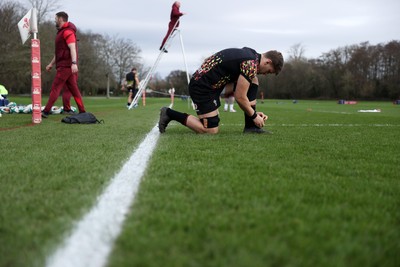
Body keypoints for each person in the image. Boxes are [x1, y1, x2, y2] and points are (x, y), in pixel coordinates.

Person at [158, 47, 284, 134]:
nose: (266, 74)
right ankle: (169, 113)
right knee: (210, 131)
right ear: (268, 61)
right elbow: (240, 97)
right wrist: (254, 115)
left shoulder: (251, 54)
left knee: (254, 79)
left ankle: (251, 127)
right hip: (202, 87)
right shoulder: (250, 64)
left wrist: (253, 113)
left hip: (211, 85)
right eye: (269, 71)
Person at [42, 11, 86, 118]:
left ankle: (46, 111)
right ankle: (82, 111)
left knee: (55, 88)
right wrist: (51, 64)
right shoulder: (61, 32)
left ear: (61, 19)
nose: (54, 20)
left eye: (56, 18)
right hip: (66, 66)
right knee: (74, 90)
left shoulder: (67, 32)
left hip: (66, 67)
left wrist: (74, 63)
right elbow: (59, 53)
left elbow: (72, 48)